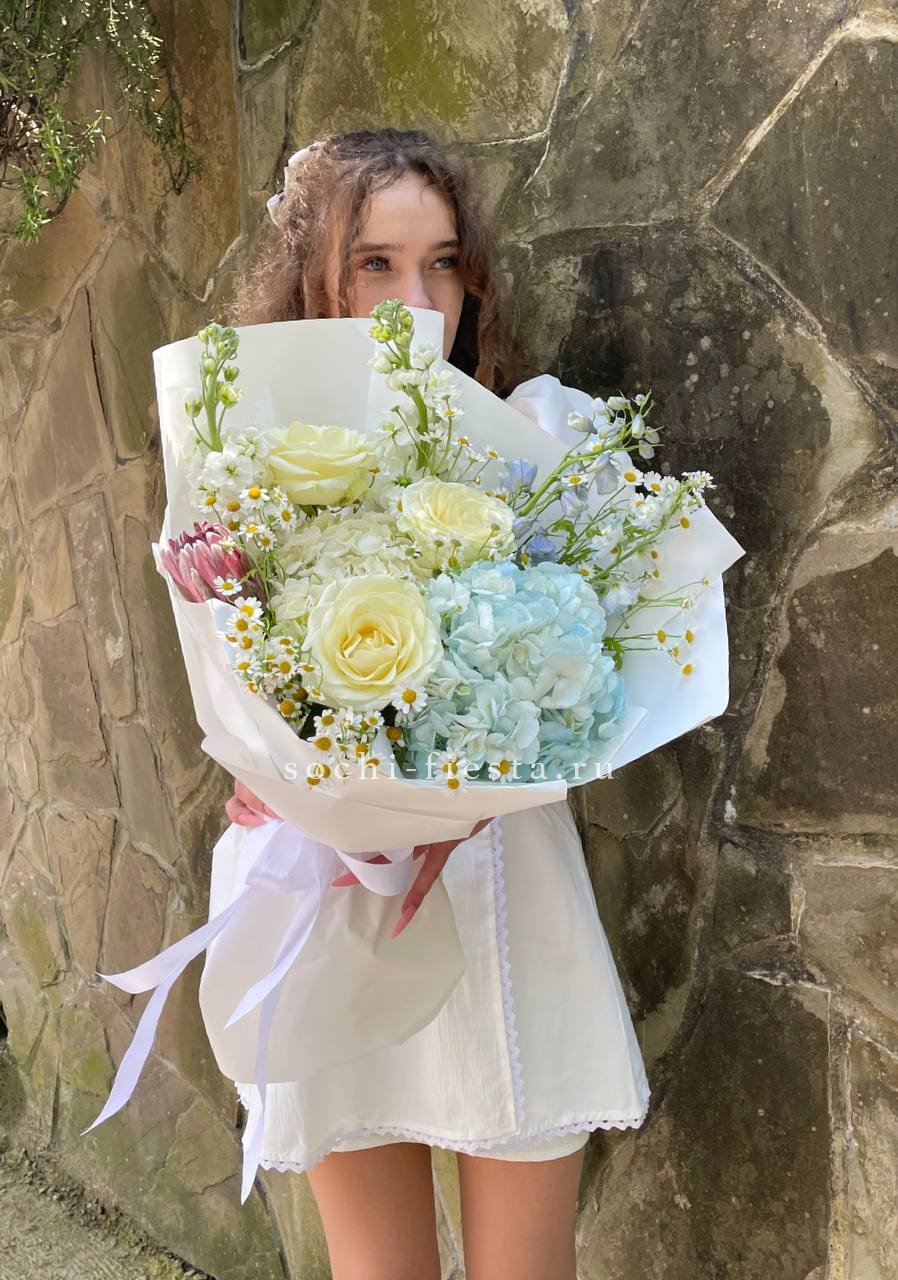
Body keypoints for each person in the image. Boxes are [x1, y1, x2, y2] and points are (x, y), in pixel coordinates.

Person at [223, 127, 650, 1280]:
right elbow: (236, 675)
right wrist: (276, 772)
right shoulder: (244, 457)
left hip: (503, 885)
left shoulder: (537, 438)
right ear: (313, 277)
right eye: (375, 264)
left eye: (443, 263)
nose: (417, 301)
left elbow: (607, 664)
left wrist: (463, 790)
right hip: (322, 890)